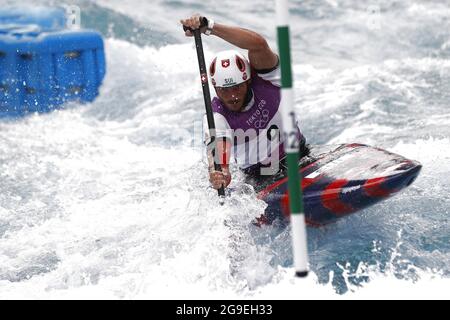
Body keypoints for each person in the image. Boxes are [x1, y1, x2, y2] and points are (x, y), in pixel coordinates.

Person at [180, 15, 308, 191]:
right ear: (216, 89)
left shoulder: (268, 79)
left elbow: (258, 45)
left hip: (301, 158)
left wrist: (209, 27)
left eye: (237, 87)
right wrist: (220, 171)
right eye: (224, 90)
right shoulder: (216, 116)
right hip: (262, 180)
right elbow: (218, 154)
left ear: (248, 81)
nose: (232, 96)